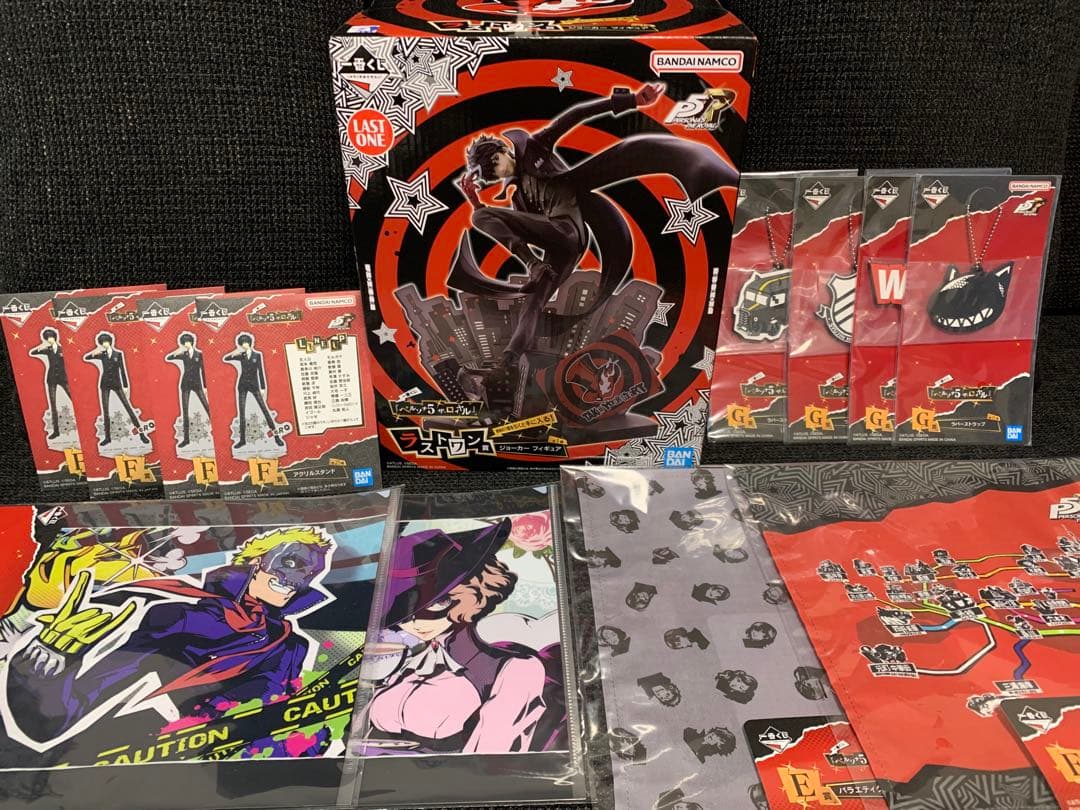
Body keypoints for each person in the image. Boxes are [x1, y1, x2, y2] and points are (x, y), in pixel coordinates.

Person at [452, 82, 738, 365]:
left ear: (502, 151)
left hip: (568, 230)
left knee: (481, 216)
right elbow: (520, 230)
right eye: (492, 176)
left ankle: (534, 266)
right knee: (532, 303)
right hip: (559, 249)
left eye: (495, 165)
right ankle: (508, 361)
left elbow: (575, 115)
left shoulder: (536, 147)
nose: (498, 175)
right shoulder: (519, 199)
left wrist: (632, 101)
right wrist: (476, 202)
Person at [6, 526, 333, 745]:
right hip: (161, 759)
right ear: (259, 560)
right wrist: (40, 665)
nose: (295, 579)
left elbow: (285, 717)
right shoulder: (181, 617)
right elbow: (54, 720)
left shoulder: (292, 646)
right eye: (291, 562)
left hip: (249, 768)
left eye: (309, 573)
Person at [364, 520, 562, 754]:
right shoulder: (399, 664)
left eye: (437, 602)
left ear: (474, 597)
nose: (415, 621)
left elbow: (492, 756)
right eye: (401, 609)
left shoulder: (513, 670)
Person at [83, 332, 149, 446]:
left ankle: (142, 435)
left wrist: (125, 386)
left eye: (106, 341)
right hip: (104, 384)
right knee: (105, 411)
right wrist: (95, 352)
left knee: (129, 409)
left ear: (110, 341)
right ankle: (107, 437)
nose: (104, 344)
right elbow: (86, 357)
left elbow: (122, 370)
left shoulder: (118, 354)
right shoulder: (102, 354)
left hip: (117, 384)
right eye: (102, 342)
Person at [224, 333, 283, 449]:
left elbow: (260, 371)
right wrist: (234, 353)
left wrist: (263, 387)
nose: (244, 345)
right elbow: (226, 358)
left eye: (245, 343)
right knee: (241, 413)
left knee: (265, 411)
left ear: (250, 343)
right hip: (242, 385)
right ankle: (242, 440)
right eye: (242, 344)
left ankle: (277, 437)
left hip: (255, 385)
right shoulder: (241, 355)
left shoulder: (257, 355)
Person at [165, 332, 209, 449]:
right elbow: (168, 358)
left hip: (197, 384)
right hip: (185, 384)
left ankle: (218, 431)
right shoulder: (183, 354)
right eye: (184, 343)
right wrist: (177, 351)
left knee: (207, 407)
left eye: (187, 342)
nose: (186, 344)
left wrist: (205, 387)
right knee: (185, 412)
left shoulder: (199, 354)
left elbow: (203, 371)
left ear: (192, 342)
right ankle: (186, 439)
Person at [29, 328, 70, 440]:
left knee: (74, 400)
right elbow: (32, 352)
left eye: (51, 337)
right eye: (47, 338)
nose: (49, 340)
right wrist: (40, 347)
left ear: (55, 337)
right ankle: (56, 431)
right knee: (53, 404)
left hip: (64, 378)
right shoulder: (48, 349)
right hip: (51, 379)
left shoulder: (63, 348)